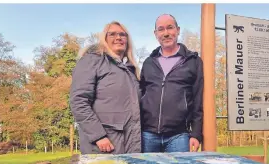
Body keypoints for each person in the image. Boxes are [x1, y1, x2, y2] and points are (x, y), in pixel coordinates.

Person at [70, 21, 142, 154]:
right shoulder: (92, 61)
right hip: (104, 144)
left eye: (122, 34)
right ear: (104, 39)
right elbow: (79, 101)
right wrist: (98, 136)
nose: (118, 37)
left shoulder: (131, 71)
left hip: (130, 144)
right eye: (112, 34)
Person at [139, 14, 203, 153]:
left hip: (179, 136)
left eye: (170, 28)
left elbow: (198, 99)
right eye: (161, 29)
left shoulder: (193, 61)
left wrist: (196, 133)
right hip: (147, 135)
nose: (166, 33)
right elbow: (141, 94)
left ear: (178, 30)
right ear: (155, 34)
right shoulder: (148, 62)